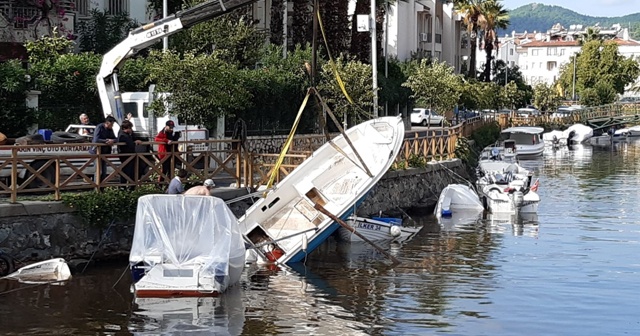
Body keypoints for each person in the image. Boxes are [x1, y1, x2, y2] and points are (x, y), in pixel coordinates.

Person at [90, 116, 117, 182]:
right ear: (107, 123)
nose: (112, 126)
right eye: (112, 124)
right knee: (98, 170)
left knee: (104, 171)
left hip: (104, 152)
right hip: (96, 151)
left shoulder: (110, 129)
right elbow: (96, 140)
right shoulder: (99, 127)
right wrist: (106, 140)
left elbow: (115, 138)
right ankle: (96, 187)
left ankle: (102, 186)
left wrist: (112, 141)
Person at [117, 120, 141, 189]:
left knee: (130, 171)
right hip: (125, 156)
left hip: (129, 156)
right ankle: (123, 187)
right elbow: (130, 144)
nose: (131, 130)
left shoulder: (126, 134)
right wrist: (135, 142)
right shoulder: (122, 135)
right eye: (130, 128)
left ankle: (130, 186)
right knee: (126, 171)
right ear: (125, 128)